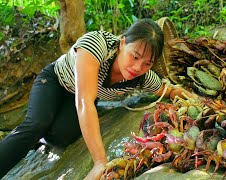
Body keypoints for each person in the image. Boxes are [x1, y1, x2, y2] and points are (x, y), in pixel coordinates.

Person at [0, 18, 195, 179]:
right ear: (122, 43)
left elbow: (169, 91)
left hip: (77, 97)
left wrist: (198, 100)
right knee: (36, 124)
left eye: (147, 63)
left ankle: (39, 137)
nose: (138, 67)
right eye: (135, 56)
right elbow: (85, 102)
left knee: (62, 137)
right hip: (55, 82)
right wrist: (100, 161)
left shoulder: (143, 78)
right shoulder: (96, 45)